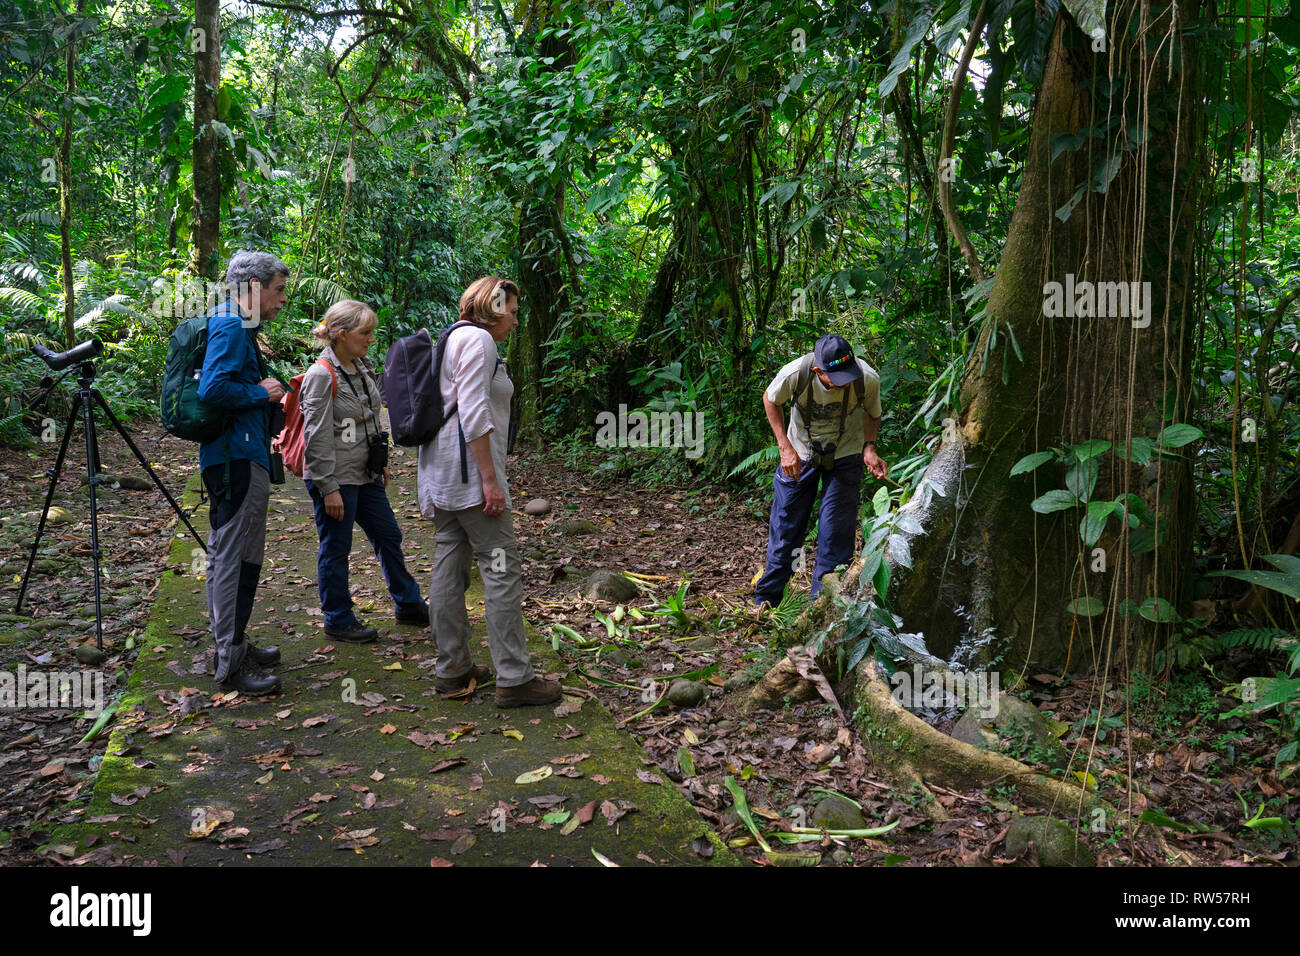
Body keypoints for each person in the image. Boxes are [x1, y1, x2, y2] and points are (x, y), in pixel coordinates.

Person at [417, 277, 560, 707]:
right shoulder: (479, 342)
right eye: (512, 311)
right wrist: (491, 481)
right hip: (469, 481)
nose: (516, 321)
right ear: (493, 307)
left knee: (449, 564)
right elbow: (474, 413)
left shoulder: (451, 337)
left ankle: (452, 669)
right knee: (500, 573)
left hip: (441, 476)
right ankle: (514, 678)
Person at [299, 300, 429, 643]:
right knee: (336, 548)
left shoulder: (360, 366)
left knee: (389, 536)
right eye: (365, 333)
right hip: (336, 478)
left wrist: (380, 462)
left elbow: (372, 417)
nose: (372, 338)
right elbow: (316, 435)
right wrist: (328, 487)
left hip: (365, 474)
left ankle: (409, 603)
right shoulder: (321, 375)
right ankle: (338, 618)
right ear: (342, 335)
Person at [197, 250, 289, 695]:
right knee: (233, 557)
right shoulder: (232, 324)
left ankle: (233, 644)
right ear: (253, 287)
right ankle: (229, 663)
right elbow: (213, 388)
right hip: (235, 458)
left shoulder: (233, 323)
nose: (282, 300)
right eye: (278, 290)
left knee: (237, 555)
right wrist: (262, 392)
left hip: (239, 454)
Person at [753, 333, 889, 609]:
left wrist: (869, 447)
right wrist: (784, 447)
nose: (845, 383)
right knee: (787, 528)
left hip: (845, 452)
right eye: (836, 380)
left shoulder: (867, 378)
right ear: (818, 371)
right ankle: (768, 600)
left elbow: (873, 414)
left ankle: (823, 606)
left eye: (848, 376)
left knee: (836, 532)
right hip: (800, 454)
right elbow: (770, 399)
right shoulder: (796, 373)